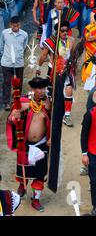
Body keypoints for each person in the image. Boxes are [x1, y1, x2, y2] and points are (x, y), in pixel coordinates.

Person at [6, 77, 50, 212]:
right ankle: (22, 184)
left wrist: (51, 138)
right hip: (25, 144)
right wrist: (15, 115)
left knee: (39, 175)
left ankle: (35, 200)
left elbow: (53, 123)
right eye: (39, 88)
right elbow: (11, 120)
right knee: (23, 170)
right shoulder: (23, 102)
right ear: (32, 89)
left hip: (42, 145)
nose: (42, 91)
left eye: (43, 88)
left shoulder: (48, 104)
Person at [37, 21, 77, 127]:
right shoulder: (51, 42)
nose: (64, 33)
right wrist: (38, 67)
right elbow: (43, 55)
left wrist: (74, 65)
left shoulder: (72, 40)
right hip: (54, 71)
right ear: (57, 31)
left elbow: (73, 55)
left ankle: (66, 115)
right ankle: (50, 113)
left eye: (66, 30)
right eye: (62, 30)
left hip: (67, 70)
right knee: (52, 93)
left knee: (69, 90)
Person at [0, 17, 28, 111]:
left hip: (19, 63)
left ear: (20, 24)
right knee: (7, 82)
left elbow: (24, 46)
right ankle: (6, 102)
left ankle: (16, 100)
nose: (16, 27)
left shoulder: (24, 35)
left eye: (17, 25)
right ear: (10, 25)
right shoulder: (5, 33)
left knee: (18, 83)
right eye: (14, 26)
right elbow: (1, 46)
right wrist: (6, 55)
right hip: (6, 63)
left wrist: (18, 55)